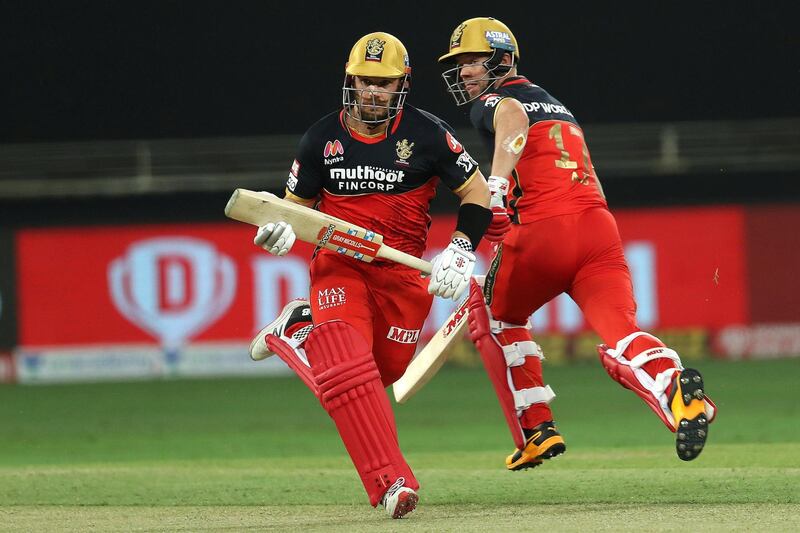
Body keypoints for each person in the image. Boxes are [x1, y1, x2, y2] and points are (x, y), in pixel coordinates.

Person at [436, 17, 717, 470]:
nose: (464, 71)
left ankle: (537, 430)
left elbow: (511, 118)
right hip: (598, 229)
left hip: (543, 231)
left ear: (503, 61)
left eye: (473, 60)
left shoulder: (497, 100)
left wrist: (495, 188)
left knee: (493, 313)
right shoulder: (559, 105)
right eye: (459, 63)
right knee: (622, 336)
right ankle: (680, 396)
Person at [247, 32, 496, 519]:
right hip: (341, 267)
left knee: (377, 377)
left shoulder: (427, 134)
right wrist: (278, 230)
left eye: (385, 83)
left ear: (402, 83)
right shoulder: (321, 138)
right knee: (347, 368)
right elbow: (294, 213)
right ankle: (391, 482)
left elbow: (478, 194)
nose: (374, 92)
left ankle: (294, 332)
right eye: (366, 81)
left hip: (402, 277)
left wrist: (462, 248)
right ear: (351, 80)